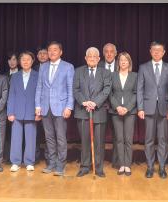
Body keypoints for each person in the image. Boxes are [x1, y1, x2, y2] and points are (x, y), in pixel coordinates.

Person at [137, 41, 168, 179]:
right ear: (150, 51)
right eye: (154, 50)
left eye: (159, 50)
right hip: (148, 108)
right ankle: (150, 167)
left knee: (163, 139)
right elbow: (139, 89)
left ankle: (162, 167)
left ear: (164, 52)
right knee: (148, 140)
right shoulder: (143, 67)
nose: (157, 52)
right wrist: (140, 107)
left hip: (164, 109)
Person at [35, 41, 74, 176]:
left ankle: (60, 165)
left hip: (60, 108)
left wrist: (69, 107)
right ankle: (51, 163)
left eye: (55, 50)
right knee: (49, 138)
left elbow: (70, 89)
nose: (51, 52)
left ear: (60, 52)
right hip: (45, 107)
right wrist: (37, 106)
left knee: (61, 138)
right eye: (49, 50)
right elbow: (39, 87)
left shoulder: (68, 67)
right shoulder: (43, 67)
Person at [73, 47, 112, 177]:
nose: (92, 58)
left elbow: (106, 90)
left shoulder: (105, 72)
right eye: (89, 56)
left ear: (99, 59)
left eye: (95, 56)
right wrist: (84, 102)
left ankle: (98, 167)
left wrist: (94, 103)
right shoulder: (78, 71)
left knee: (99, 142)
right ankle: (84, 166)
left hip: (99, 111)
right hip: (82, 111)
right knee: (84, 141)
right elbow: (75, 89)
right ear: (85, 58)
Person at [7, 51, 39, 172]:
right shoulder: (15, 76)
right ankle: (15, 162)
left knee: (31, 138)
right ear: (20, 62)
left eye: (28, 59)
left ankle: (29, 162)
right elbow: (11, 95)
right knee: (16, 137)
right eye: (23, 59)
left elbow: (40, 95)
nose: (25, 62)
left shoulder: (38, 75)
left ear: (32, 61)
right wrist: (10, 112)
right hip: (17, 111)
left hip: (32, 111)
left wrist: (38, 112)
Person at [109, 52, 137, 176]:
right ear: (118, 62)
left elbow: (136, 94)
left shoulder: (135, 76)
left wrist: (127, 108)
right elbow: (110, 93)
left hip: (130, 112)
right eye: (121, 60)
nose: (123, 62)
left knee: (128, 139)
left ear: (129, 62)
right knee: (119, 139)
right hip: (116, 112)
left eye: (126, 60)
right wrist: (118, 107)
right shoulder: (112, 75)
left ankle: (127, 164)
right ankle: (121, 164)